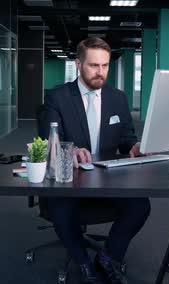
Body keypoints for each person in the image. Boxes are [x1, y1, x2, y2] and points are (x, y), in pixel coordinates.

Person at [38, 37, 150, 284]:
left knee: (140, 205)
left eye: (105, 65)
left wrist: (135, 146)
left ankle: (109, 257)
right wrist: (72, 149)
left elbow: (126, 138)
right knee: (61, 208)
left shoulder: (117, 98)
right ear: (79, 64)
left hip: (109, 178)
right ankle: (85, 264)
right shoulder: (57, 97)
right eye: (93, 65)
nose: (100, 72)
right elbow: (48, 140)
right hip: (70, 179)